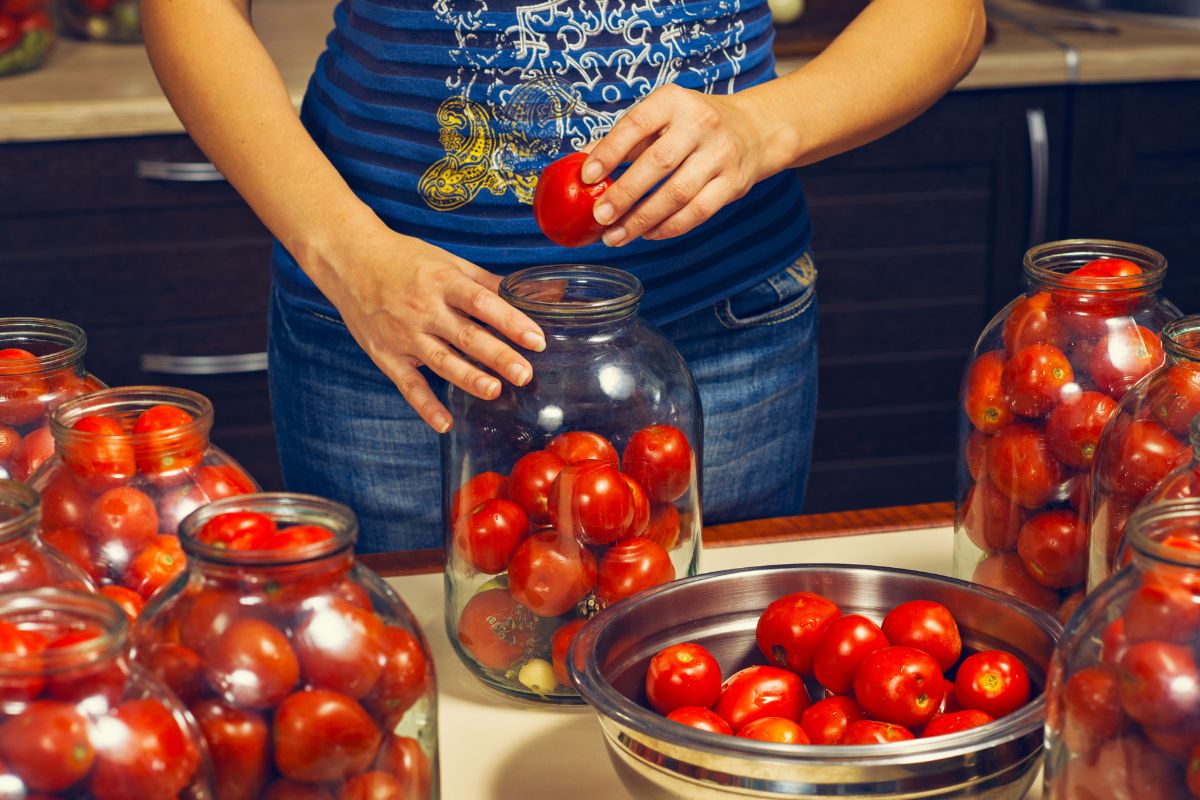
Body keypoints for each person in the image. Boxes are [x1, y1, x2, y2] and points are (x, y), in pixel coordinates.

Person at [142, 0, 986, 553]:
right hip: (395, 343)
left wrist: (766, 126)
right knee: (417, 707)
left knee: (698, 701)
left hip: (720, 332)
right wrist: (345, 252)